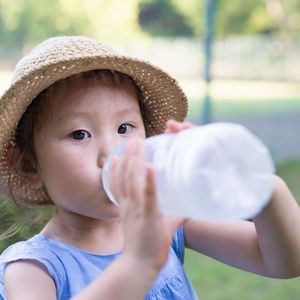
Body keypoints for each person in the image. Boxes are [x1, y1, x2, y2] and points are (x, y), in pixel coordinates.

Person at [0, 36, 299, 300]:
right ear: (29, 166)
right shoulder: (33, 268)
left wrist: (263, 186)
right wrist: (139, 264)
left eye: (125, 127)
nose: (112, 152)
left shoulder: (168, 219)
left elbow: (283, 262)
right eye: (80, 134)